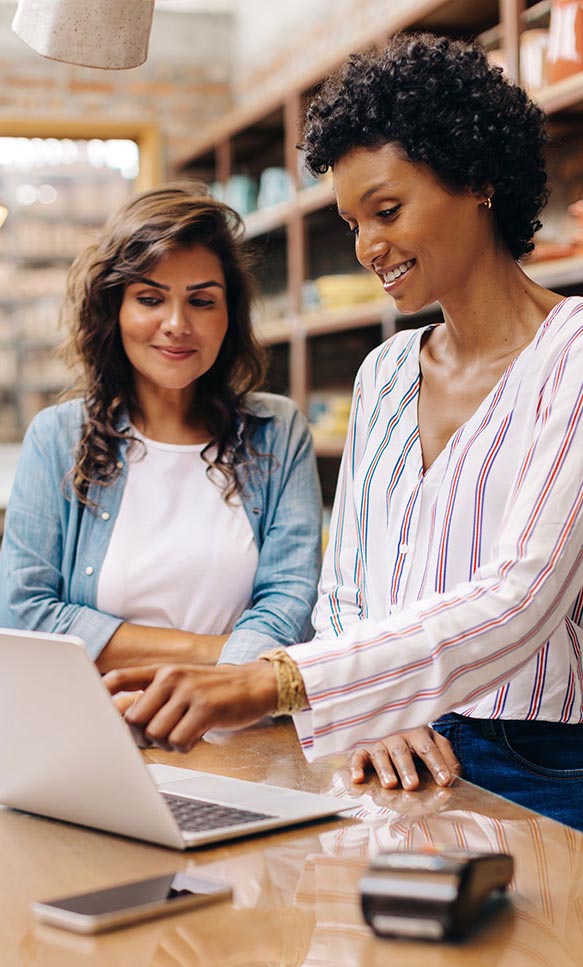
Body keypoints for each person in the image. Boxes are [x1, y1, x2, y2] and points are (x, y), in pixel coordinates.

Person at [102, 35, 583, 831]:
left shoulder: (571, 358)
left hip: (538, 761)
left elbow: (517, 601)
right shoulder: (385, 372)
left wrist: (276, 679)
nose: (367, 248)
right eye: (352, 221)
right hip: (383, 747)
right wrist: (379, 709)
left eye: (386, 211)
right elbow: (347, 587)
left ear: (478, 179)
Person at [0, 183, 322, 671]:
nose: (176, 323)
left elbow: (290, 607)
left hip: (241, 733)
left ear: (229, 316)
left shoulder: (278, 430)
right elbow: (25, 613)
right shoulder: (58, 438)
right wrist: (209, 652)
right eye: (150, 299)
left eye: (202, 301)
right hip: (104, 727)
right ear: (114, 311)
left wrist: (213, 691)